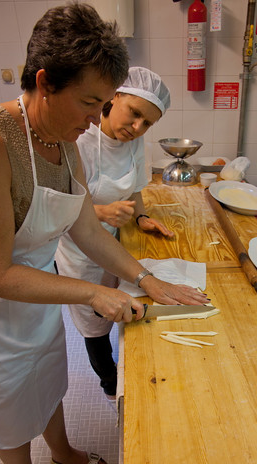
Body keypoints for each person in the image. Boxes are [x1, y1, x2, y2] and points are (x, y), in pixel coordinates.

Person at [0, 3, 209, 464]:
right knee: (8, 393)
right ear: (44, 82)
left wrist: (147, 279)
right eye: (89, 102)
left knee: (49, 377)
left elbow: (84, 228)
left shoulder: (64, 141)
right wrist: (90, 293)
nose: (94, 117)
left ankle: (64, 451)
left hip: (38, 290)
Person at [55, 66, 174, 401]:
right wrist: (100, 213)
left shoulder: (135, 142)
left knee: (125, 307)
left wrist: (142, 217)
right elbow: (58, 209)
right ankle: (109, 382)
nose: (137, 128)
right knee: (95, 326)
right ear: (114, 97)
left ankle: (127, 367)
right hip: (80, 252)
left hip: (117, 245)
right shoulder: (78, 141)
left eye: (147, 122)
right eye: (134, 113)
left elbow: (135, 189)